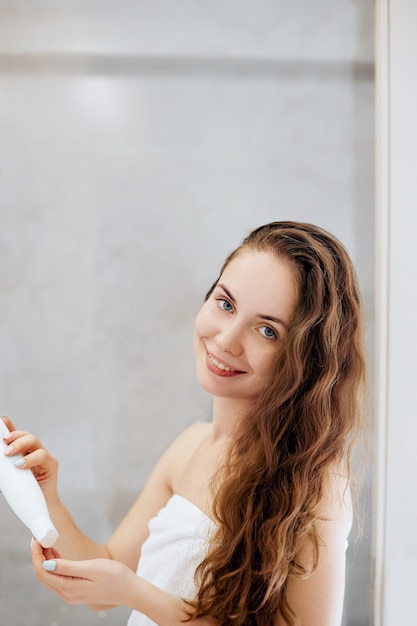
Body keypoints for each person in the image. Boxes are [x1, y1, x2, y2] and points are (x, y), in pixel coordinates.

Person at [2, 221, 368, 626]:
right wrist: (47, 498)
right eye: (225, 304)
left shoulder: (314, 482)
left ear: (307, 358)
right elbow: (103, 577)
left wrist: (134, 591)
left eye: (267, 331)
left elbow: (123, 586)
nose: (227, 339)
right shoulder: (190, 446)